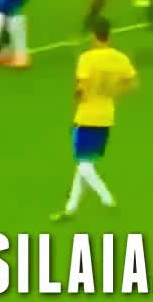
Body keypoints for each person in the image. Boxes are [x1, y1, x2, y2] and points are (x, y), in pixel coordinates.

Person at [50, 17, 137, 222]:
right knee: (84, 164)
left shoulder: (87, 58)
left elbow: (81, 89)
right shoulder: (120, 58)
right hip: (106, 116)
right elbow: (132, 84)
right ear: (109, 35)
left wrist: (77, 95)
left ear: (93, 36)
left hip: (87, 116)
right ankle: (70, 210)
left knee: (84, 166)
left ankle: (107, 198)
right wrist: (114, 92)